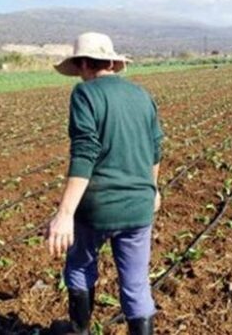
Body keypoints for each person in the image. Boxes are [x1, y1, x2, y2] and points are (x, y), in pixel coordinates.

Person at [47, 32, 164, 335]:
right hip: (139, 205)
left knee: (80, 267)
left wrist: (65, 213)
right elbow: (155, 148)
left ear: (83, 64)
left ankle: (79, 331)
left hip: (98, 207)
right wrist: (153, 189)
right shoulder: (142, 96)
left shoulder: (85, 95)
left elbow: (85, 152)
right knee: (136, 283)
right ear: (112, 62)